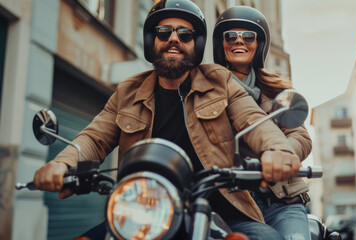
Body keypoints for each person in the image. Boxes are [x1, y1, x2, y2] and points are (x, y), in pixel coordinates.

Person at [33, 1, 303, 239]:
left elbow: (253, 119)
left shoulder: (220, 81)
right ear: (152, 40)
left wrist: (276, 150)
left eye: (185, 34)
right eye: (164, 32)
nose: (174, 39)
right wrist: (62, 163)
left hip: (221, 209)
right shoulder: (128, 90)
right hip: (142, 210)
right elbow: (94, 136)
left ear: (196, 44)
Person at [212, 6, 313, 240]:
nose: (239, 41)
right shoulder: (207, 89)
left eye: (248, 36)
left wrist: (278, 157)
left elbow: (301, 137)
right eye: (231, 36)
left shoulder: (276, 89)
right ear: (221, 43)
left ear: (259, 44)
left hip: (281, 199)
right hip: (231, 202)